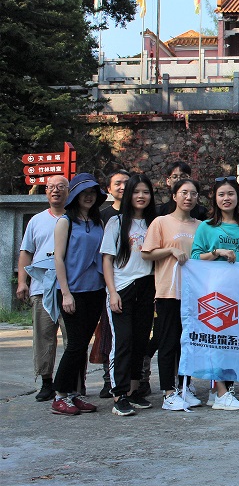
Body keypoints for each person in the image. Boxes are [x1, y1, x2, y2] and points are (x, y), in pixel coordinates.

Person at [191, 176, 239, 410]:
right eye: (221, 194)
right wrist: (217, 252)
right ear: (214, 199)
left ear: (238, 197)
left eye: (230, 194)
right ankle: (221, 392)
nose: (226, 198)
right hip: (215, 293)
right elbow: (195, 257)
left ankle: (221, 389)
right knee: (216, 340)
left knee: (235, 341)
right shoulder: (206, 227)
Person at [141, 179, 203, 411]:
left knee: (187, 343)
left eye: (193, 194)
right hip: (169, 291)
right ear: (174, 196)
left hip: (194, 293)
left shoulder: (201, 226)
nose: (189, 197)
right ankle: (168, 392)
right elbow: (146, 253)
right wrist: (170, 250)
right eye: (184, 193)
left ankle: (184, 387)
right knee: (168, 342)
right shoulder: (161, 222)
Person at [50, 174, 107, 416]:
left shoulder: (97, 222)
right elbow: (58, 258)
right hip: (72, 291)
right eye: (84, 192)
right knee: (74, 345)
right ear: (75, 195)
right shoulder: (65, 222)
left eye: (93, 192)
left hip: (95, 290)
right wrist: (66, 293)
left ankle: (73, 394)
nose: (89, 196)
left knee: (83, 344)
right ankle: (59, 395)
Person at [101, 174, 157, 416]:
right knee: (122, 341)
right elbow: (107, 260)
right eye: (136, 191)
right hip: (122, 286)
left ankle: (134, 392)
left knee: (140, 341)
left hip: (147, 286)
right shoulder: (116, 222)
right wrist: (112, 292)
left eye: (145, 192)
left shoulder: (154, 223)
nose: (141, 196)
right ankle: (119, 394)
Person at [17, 176, 70, 402]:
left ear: (68, 191)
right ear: (46, 191)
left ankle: (73, 383)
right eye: (51, 187)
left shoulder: (75, 219)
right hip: (41, 287)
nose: (55, 191)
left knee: (72, 338)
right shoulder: (36, 221)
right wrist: (22, 282)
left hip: (69, 288)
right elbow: (26, 252)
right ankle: (46, 382)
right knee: (43, 337)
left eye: (61, 187)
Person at [95, 168, 131, 397]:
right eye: (118, 183)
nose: (123, 187)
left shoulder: (142, 216)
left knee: (131, 337)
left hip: (134, 286)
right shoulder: (104, 216)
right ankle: (109, 380)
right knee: (109, 335)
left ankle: (136, 382)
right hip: (108, 283)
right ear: (109, 188)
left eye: (127, 182)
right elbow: (104, 255)